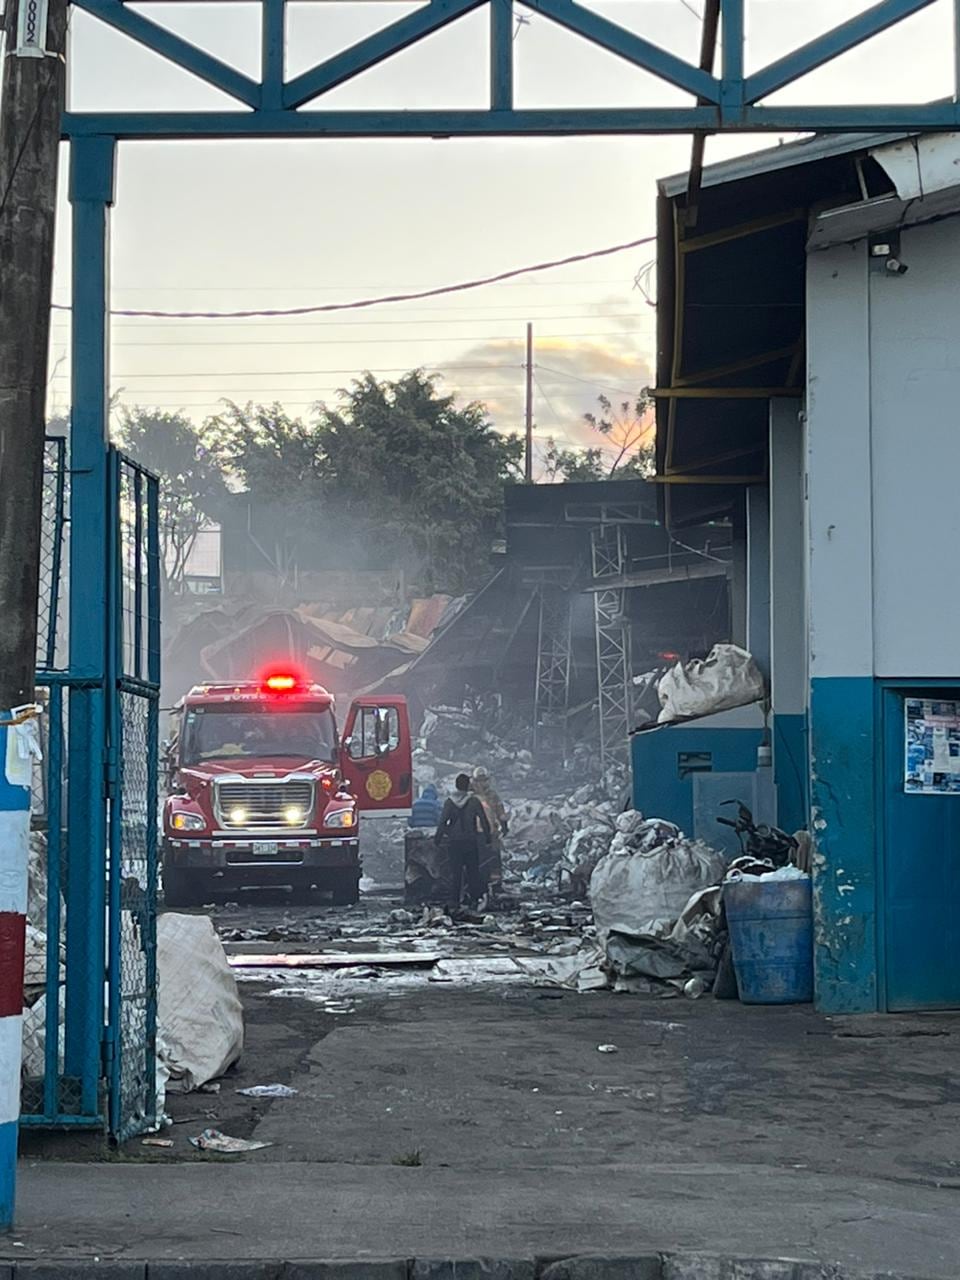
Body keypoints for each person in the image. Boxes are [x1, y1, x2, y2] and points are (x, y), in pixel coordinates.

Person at [435, 773, 491, 910]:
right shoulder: (474, 801)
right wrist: (487, 837)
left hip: (454, 842)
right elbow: (483, 820)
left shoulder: (450, 802)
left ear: (456, 785)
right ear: (467, 785)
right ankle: (475, 899)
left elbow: (443, 822)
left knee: (456, 873)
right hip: (471, 841)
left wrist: (438, 838)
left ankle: (455, 900)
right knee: (473, 872)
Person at [471, 766, 508, 899]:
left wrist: (504, 825)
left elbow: (500, 812)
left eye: (485, 780)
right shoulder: (470, 796)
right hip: (476, 834)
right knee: (480, 860)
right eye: (480, 780)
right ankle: (481, 886)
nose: (483, 783)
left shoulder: (492, 795)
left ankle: (495, 885)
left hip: (491, 833)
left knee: (494, 860)